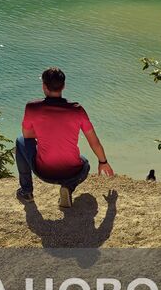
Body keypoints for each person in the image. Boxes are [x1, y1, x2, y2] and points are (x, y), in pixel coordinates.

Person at [16, 68, 114, 208]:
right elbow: (94, 141)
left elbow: (27, 136)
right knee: (85, 163)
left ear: (44, 86)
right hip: (72, 173)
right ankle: (68, 187)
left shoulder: (32, 107)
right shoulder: (77, 110)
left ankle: (26, 192)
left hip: (44, 172)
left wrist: (46, 132)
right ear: (63, 86)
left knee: (20, 141)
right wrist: (103, 161)